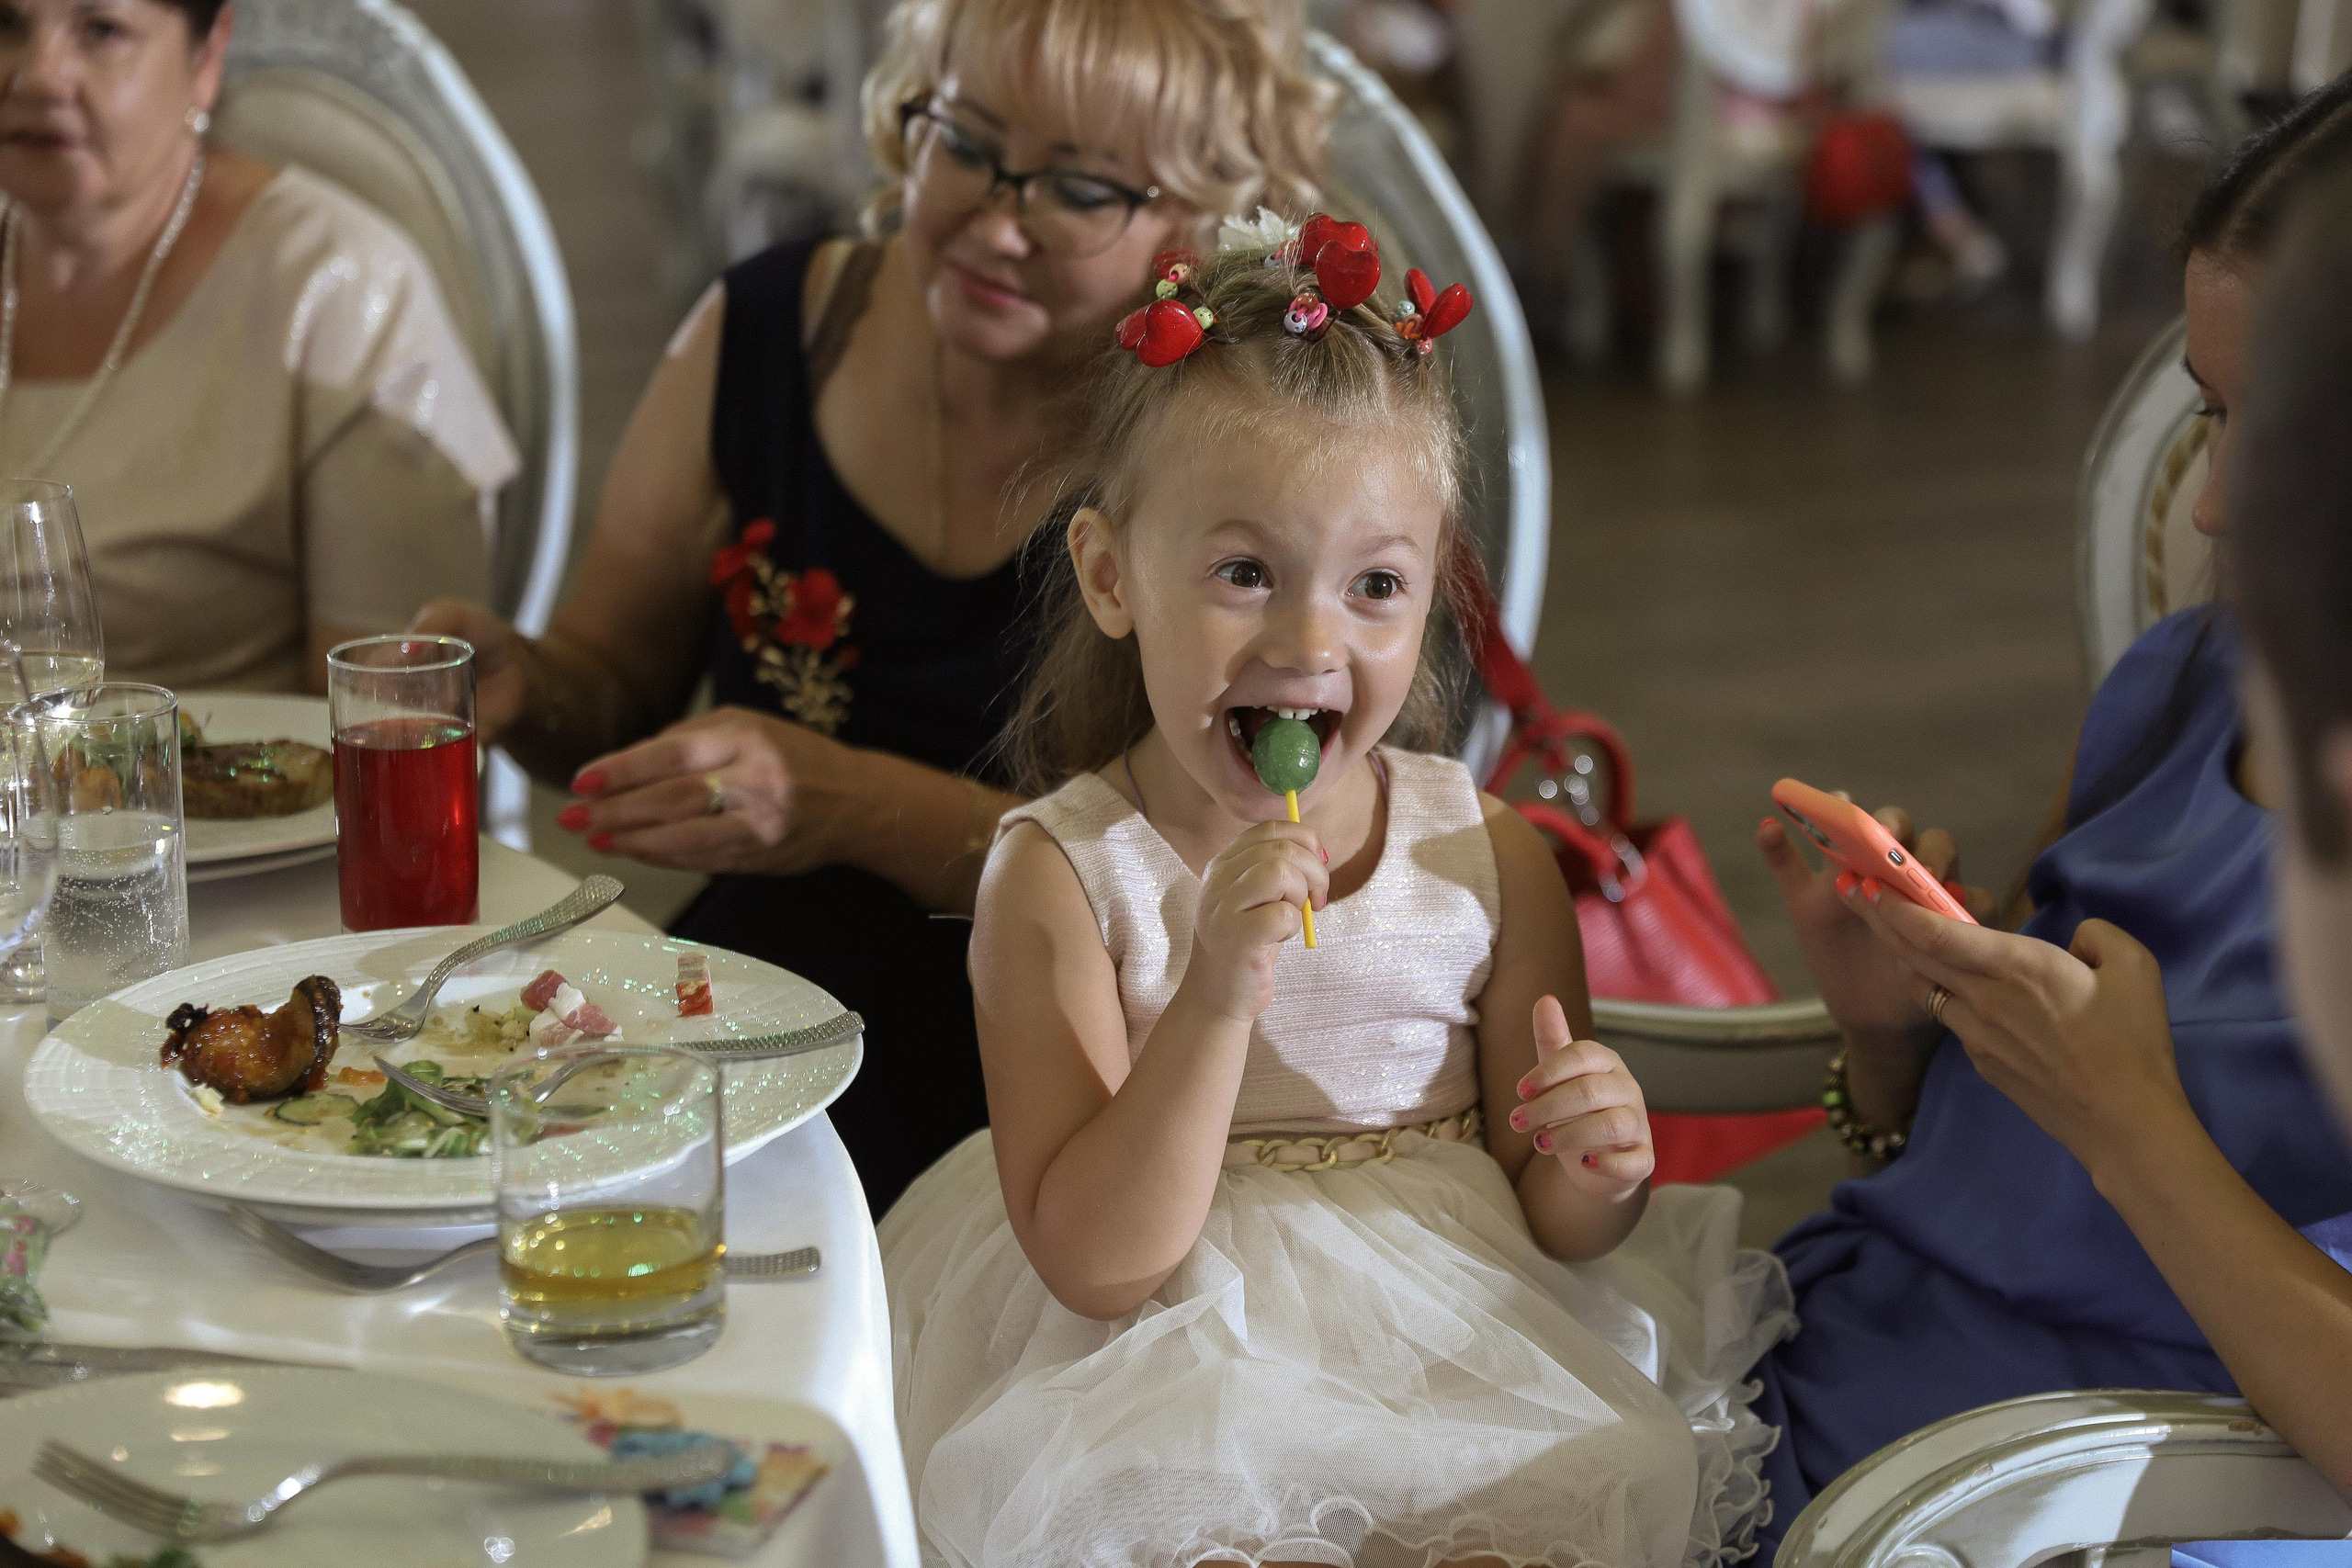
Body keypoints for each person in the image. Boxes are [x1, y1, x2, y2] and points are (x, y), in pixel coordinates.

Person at [882, 226, 1793, 1567]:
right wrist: (1208, 997)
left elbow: (1557, 1209)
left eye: (1376, 586)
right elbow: (1096, 1260)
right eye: (1246, 571)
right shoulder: (1064, 876)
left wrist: (1602, 1159)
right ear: (1110, 573)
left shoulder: (1485, 858)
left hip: (1463, 1349)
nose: (1311, 643)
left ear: (1432, 600)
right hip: (1163, 1369)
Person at [413, 0, 1331, 1213]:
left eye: (1078, 188)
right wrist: (532, 683)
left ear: (1201, 215)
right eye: (967, 143)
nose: (996, 222)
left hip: (1076, 1082)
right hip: (751, 999)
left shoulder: (1221, 451)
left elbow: (1210, 873)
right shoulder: (764, 331)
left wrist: (842, 804)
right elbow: (611, 691)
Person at [1742, 74, 2352, 1547]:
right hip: (1825, 1385)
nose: (2213, 508)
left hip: (2087, 1504)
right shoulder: (2179, 683)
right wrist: (1896, 1029)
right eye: (2216, 416)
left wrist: (2130, 1120)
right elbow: (1958, 1161)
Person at [0, 0, 515, 693]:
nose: (37, 76)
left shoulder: (338, 292)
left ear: (206, 56)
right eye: (3, 24)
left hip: (210, 796)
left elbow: (394, 728)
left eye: (101, 30)